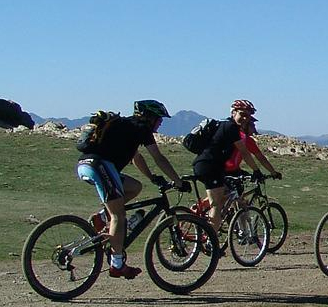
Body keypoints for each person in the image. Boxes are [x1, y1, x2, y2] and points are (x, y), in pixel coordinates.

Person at [77, 100, 190, 279]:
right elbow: (158, 158)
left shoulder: (127, 127)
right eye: (159, 118)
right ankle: (117, 264)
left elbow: (136, 157)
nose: (160, 122)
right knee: (118, 216)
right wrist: (178, 181)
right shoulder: (141, 128)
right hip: (100, 166)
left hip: (87, 164)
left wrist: (152, 177)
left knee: (135, 187)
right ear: (149, 117)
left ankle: (101, 217)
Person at [193, 99, 264, 233]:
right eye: (242, 114)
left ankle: (196, 214)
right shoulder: (231, 128)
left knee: (223, 196)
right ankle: (211, 241)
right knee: (216, 206)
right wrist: (256, 170)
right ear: (233, 113)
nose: (244, 118)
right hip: (210, 166)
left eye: (247, 116)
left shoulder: (225, 125)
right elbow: (244, 152)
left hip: (210, 166)